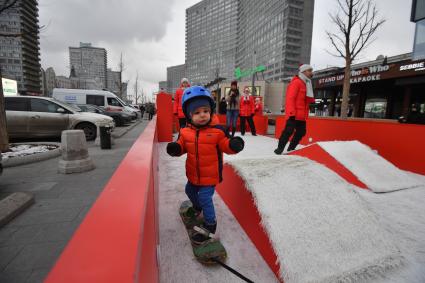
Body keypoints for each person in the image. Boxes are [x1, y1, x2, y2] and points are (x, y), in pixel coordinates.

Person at [166, 86, 245, 245]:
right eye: (196, 112)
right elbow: (181, 145)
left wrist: (234, 145)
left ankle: (210, 224)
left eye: (205, 110)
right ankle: (197, 207)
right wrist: (176, 148)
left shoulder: (217, 132)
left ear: (211, 111)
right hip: (193, 173)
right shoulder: (185, 132)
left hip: (210, 176)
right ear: (189, 115)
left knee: (205, 197)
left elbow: (225, 145)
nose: (202, 115)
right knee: (189, 190)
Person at [274, 64, 315, 154]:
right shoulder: (296, 82)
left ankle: (291, 148)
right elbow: (290, 98)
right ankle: (279, 149)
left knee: (301, 132)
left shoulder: (307, 83)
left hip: (301, 115)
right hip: (294, 113)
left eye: (311, 71)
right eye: (310, 71)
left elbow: (305, 101)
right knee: (288, 131)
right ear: (304, 71)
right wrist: (291, 113)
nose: (312, 73)